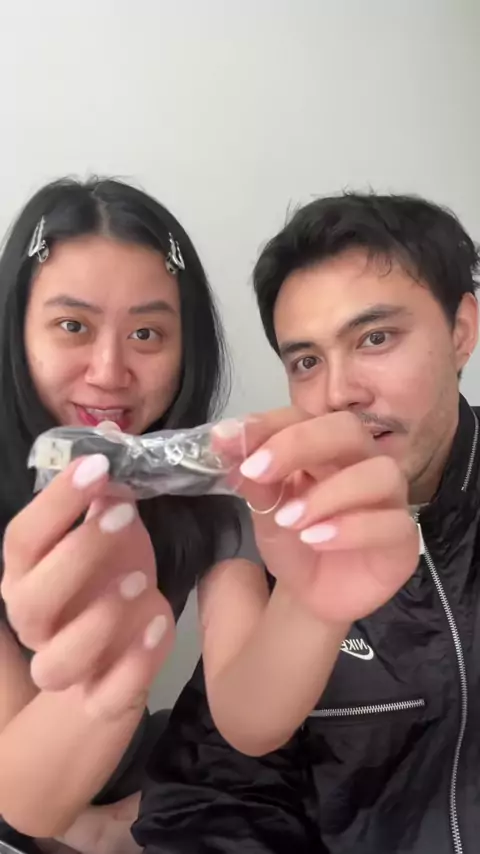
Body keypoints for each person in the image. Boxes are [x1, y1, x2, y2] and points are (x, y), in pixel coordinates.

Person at [133, 192, 480, 854]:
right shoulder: (282, 538)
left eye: (375, 338)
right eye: (307, 361)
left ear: (461, 330)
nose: (339, 393)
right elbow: (210, 799)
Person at [0, 176, 261, 854]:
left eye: (146, 333)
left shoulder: (212, 508)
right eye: (73, 326)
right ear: (16, 331)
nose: (110, 371)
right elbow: (18, 792)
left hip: (135, 782)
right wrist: (83, 831)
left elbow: (251, 716)